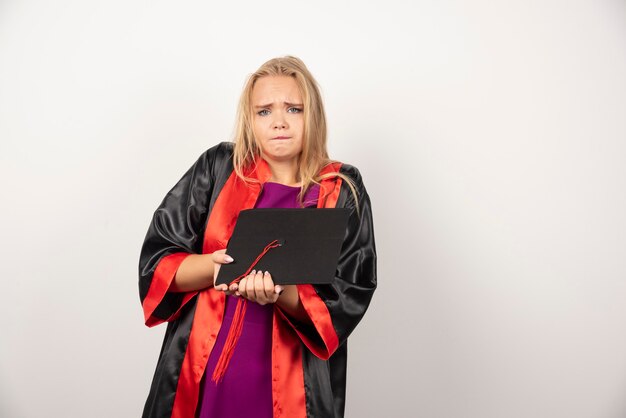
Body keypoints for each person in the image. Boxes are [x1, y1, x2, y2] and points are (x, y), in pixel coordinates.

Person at [138, 56, 377, 418]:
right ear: (249, 119)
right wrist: (216, 270)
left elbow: (351, 291)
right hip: (203, 374)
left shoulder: (340, 188)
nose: (279, 122)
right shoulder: (218, 168)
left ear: (312, 115)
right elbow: (157, 260)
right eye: (264, 111)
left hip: (291, 387)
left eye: (293, 109)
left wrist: (283, 294)